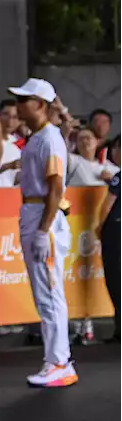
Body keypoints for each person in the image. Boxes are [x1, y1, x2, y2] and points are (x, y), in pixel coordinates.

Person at [9, 79, 77, 388]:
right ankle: (56, 361)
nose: (19, 105)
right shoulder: (37, 137)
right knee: (45, 294)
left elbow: (56, 186)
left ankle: (59, 363)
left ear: (41, 105)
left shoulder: (49, 138)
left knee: (50, 294)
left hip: (42, 218)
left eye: (25, 100)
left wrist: (43, 229)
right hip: (33, 212)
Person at [96, 138, 122, 343]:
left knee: (116, 279)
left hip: (116, 231)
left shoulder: (118, 178)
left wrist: (98, 227)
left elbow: (107, 205)